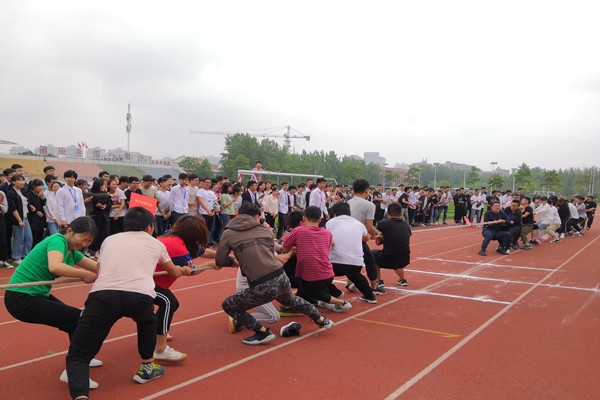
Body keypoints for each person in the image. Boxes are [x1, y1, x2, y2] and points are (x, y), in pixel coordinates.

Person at [65, 208, 193, 400]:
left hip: (103, 296)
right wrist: (184, 270)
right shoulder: (156, 243)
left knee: (78, 353)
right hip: (139, 298)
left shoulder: (109, 240)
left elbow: (100, 269)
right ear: (149, 227)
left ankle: (80, 395)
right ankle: (147, 367)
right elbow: (173, 272)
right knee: (147, 322)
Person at [216, 202, 334, 346]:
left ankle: (262, 332)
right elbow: (276, 249)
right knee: (291, 300)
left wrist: (232, 262)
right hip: (280, 276)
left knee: (228, 305)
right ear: (256, 216)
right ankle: (321, 319)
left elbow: (220, 260)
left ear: (239, 214)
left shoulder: (229, 233)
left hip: (261, 283)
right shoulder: (264, 230)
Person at [4, 217, 101, 389]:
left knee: (77, 321)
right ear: (70, 231)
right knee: (79, 319)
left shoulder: (72, 252)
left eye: (89, 242)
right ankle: (75, 369)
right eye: (83, 239)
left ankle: (80, 358)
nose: (84, 244)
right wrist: (83, 275)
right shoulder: (57, 240)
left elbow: (97, 268)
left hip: (37, 295)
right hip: (21, 298)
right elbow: (55, 266)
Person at [153, 215, 214, 362]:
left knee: (170, 303)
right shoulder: (177, 247)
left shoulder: (172, 236)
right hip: (144, 282)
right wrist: (211, 265)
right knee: (169, 302)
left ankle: (157, 332)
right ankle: (160, 349)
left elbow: (203, 252)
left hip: (150, 280)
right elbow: (191, 271)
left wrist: (225, 256)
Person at [282, 206, 352, 313]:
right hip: (329, 274)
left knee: (309, 289)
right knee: (310, 288)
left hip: (310, 277)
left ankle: (340, 302)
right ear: (320, 220)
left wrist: (299, 246)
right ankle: (333, 295)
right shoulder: (327, 233)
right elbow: (327, 249)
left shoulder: (298, 231)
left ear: (304, 218)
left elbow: (284, 249)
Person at [326, 202, 377, 303]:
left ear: (335, 214)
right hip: (355, 264)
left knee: (323, 276)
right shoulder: (358, 224)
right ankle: (370, 296)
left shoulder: (329, 223)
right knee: (356, 276)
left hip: (334, 265)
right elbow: (366, 238)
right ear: (349, 213)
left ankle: (335, 293)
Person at [347, 179, 383, 294]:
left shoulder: (348, 203)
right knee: (370, 260)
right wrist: (376, 235)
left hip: (345, 235)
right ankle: (373, 287)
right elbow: (369, 227)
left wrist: (376, 232)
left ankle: (349, 283)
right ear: (367, 190)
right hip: (357, 236)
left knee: (350, 259)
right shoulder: (369, 205)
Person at [372, 203, 411, 286]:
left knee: (373, 254)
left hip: (389, 258)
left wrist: (383, 237)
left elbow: (377, 243)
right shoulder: (406, 225)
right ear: (401, 214)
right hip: (405, 258)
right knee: (397, 254)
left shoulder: (382, 223)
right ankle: (402, 279)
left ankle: (379, 281)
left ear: (387, 214)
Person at [6, 174, 33, 264]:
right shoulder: (11, 193)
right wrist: (19, 221)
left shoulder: (21, 191)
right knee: (19, 238)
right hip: (18, 219)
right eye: (19, 180)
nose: (22, 182)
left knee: (28, 237)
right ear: (13, 182)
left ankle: (25, 255)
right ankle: (16, 257)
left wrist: (30, 206)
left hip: (25, 217)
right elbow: (13, 208)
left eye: (23, 180)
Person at [23, 179, 46, 247]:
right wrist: (37, 212)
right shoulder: (28, 194)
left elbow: (43, 204)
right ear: (34, 186)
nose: (41, 187)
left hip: (40, 220)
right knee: (34, 237)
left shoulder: (38, 194)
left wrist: (42, 198)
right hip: (32, 219)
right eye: (39, 186)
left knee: (40, 236)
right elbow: (28, 206)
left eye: (42, 186)